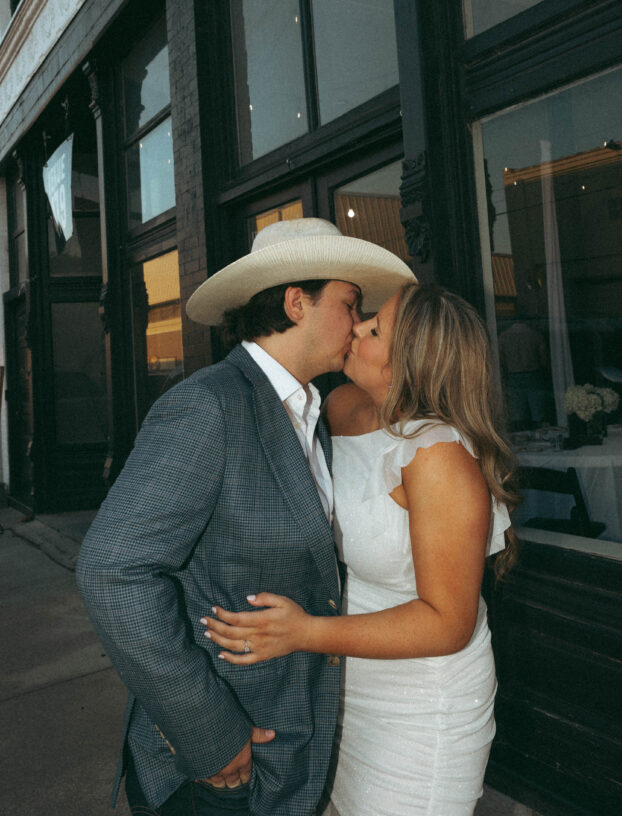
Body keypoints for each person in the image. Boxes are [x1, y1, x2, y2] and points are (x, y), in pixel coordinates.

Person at [76, 217, 415, 816]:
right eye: (349, 302)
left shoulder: (311, 413)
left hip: (287, 759)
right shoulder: (209, 404)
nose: (358, 323)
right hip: (219, 771)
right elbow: (112, 572)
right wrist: (208, 732)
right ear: (295, 302)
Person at [201, 283, 518, 816]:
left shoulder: (436, 454)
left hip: (421, 699)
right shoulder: (341, 407)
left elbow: (448, 622)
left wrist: (305, 633)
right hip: (344, 683)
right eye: (362, 318)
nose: (357, 329)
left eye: (375, 330)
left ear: (411, 362)